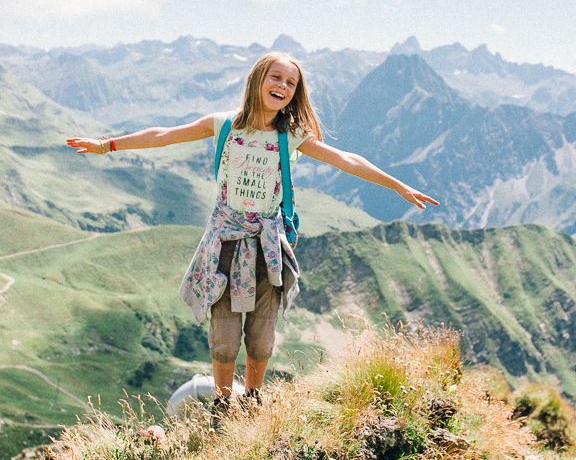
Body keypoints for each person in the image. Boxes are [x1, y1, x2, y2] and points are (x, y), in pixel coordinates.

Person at [66, 52, 438, 409]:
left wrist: (397, 186)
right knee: (224, 337)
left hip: (266, 247)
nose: (282, 86)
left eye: (291, 83)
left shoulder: (291, 136)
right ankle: (224, 406)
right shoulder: (223, 124)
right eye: (276, 77)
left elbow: (346, 160)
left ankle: (254, 402)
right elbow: (164, 135)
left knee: (261, 335)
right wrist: (107, 145)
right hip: (226, 242)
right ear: (256, 80)